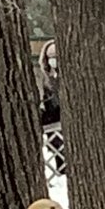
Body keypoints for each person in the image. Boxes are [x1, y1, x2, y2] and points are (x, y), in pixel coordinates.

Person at [38, 38, 64, 176]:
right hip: (53, 119)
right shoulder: (47, 78)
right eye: (50, 57)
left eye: (55, 57)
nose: (53, 60)